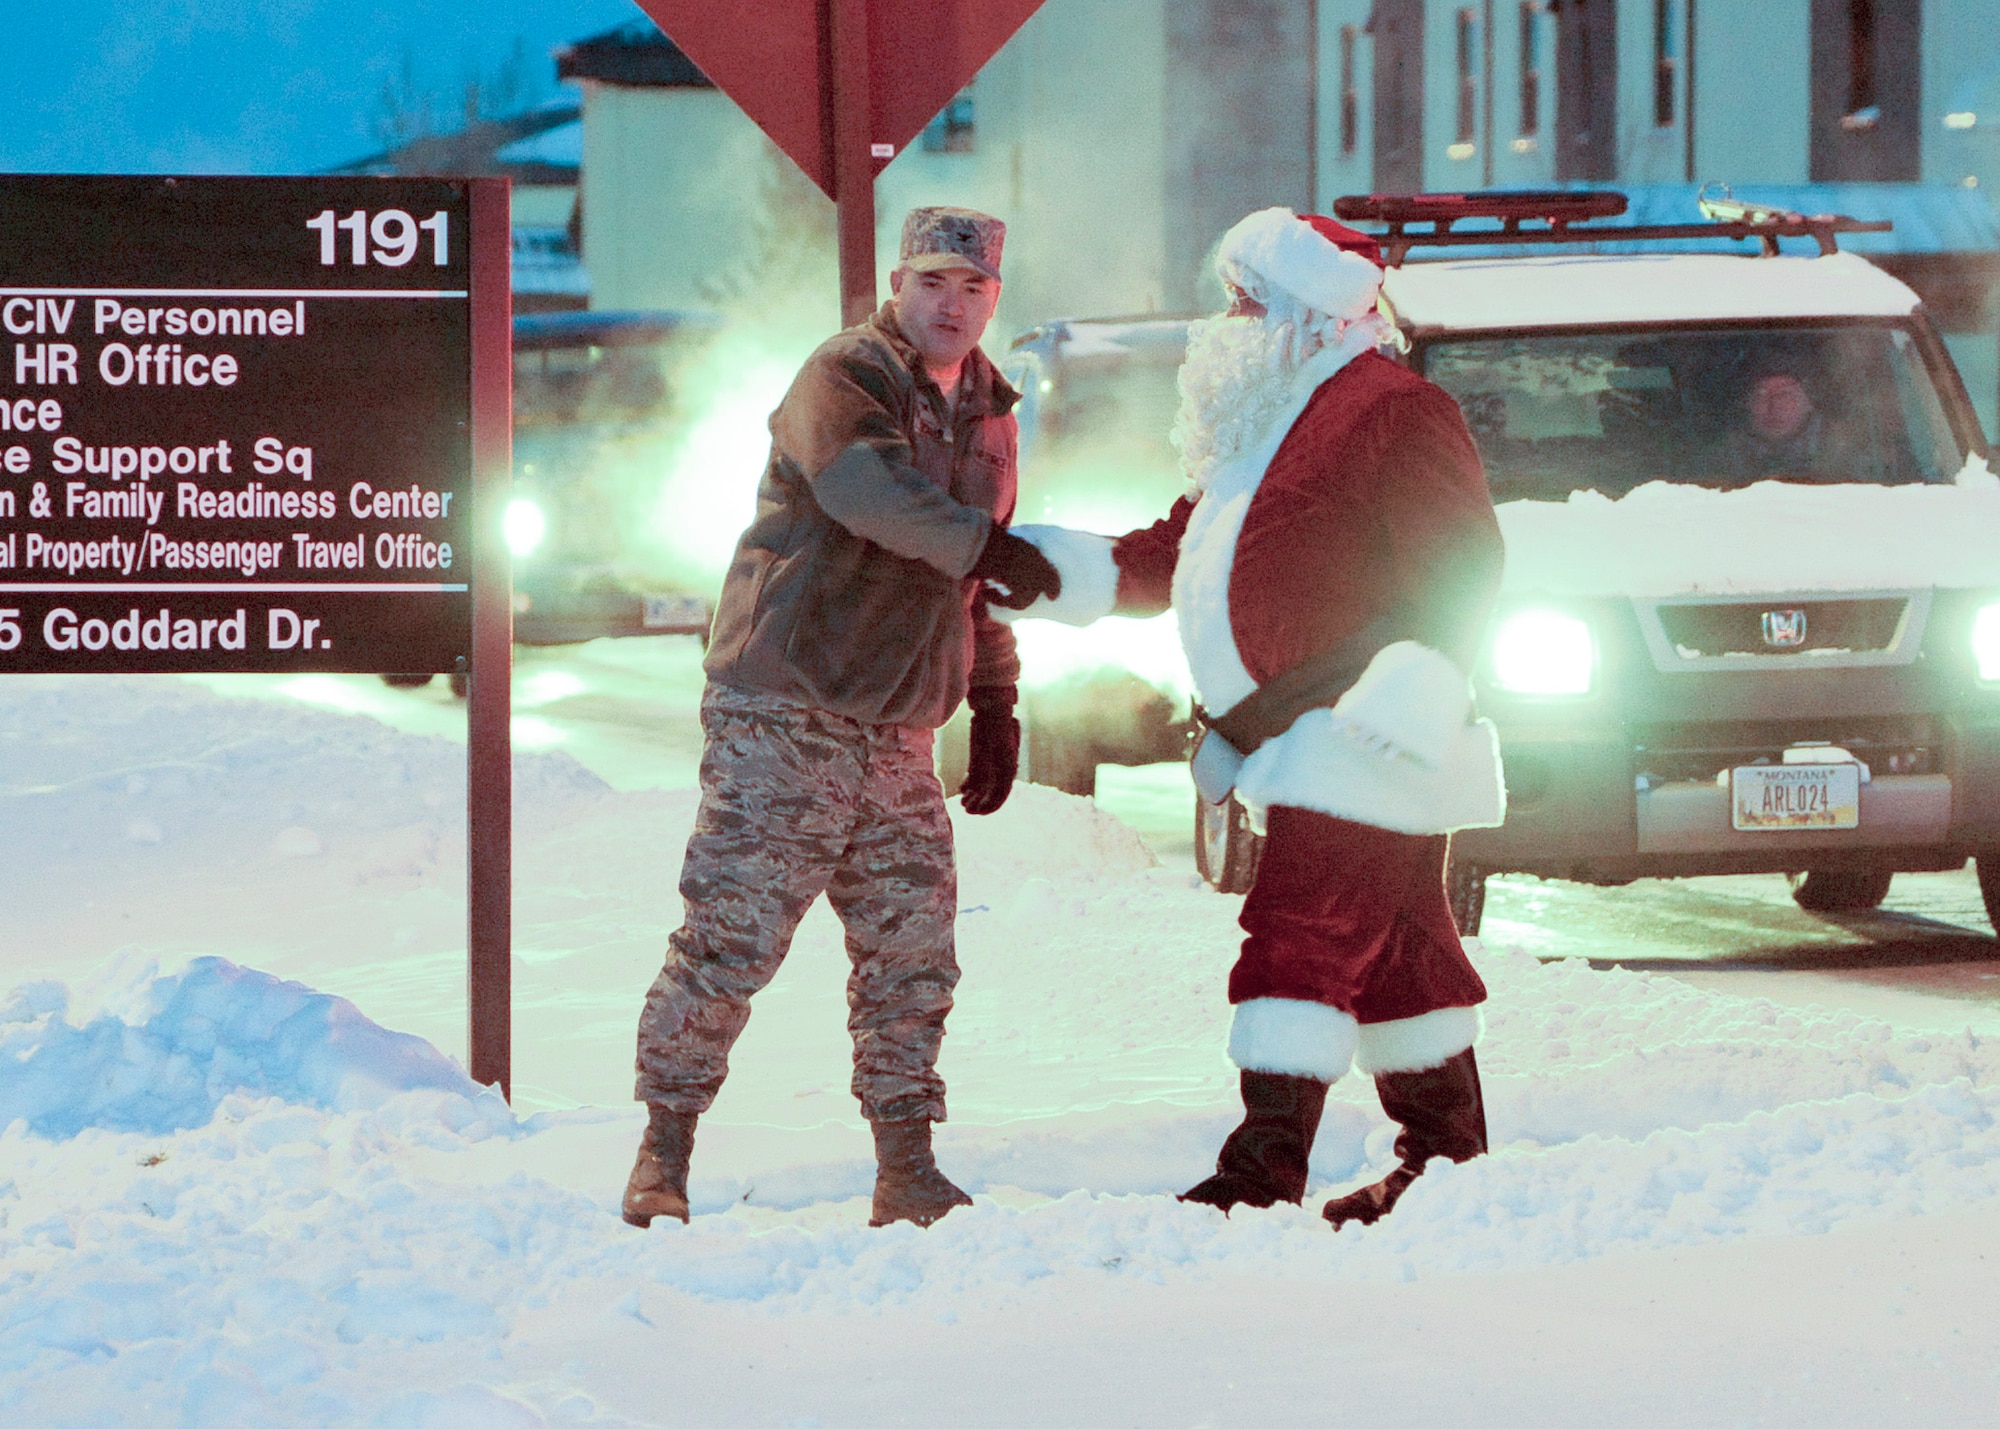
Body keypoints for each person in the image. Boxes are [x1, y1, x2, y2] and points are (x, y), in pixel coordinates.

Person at [1002, 208, 1506, 1227]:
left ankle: (1259, 1171)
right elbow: (1168, 556)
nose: (1226, 320)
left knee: (1297, 937)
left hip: (1362, 737)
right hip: (1305, 740)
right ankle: (1449, 1161)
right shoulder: (1268, 422)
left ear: (1306, 312)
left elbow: (1464, 566)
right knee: (1402, 953)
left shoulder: (1389, 410)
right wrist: (1031, 566)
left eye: (1247, 301)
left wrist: (1407, 699)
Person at [622, 206, 1063, 1230]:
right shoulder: (846, 377)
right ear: (898, 287)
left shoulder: (991, 412)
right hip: (788, 707)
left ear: (994, 299)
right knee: (731, 938)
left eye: (973, 289)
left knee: (912, 946)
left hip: (898, 729)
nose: (950, 306)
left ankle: (905, 1166)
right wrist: (987, 552)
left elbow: (972, 571)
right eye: (932, 285)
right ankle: (663, 1152)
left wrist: (993, 691)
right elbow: (871, 494)